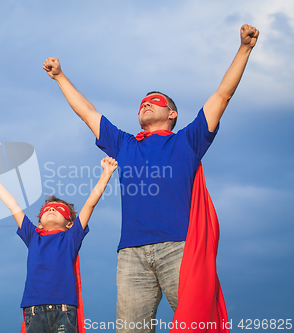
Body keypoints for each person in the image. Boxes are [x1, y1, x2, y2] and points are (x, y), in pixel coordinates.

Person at [42, 24, 259, 333]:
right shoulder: (125, 144)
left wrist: (244, 49)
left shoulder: (188, 141)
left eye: (155, 100)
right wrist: (61, 76)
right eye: (143, 101)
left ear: (172, 114)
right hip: (131, 255)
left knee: (197, 325)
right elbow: (87, 112)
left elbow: (222, 96)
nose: (146, 103)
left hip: (179, 249)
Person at [0, 157, 118, 333]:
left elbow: (90, 203)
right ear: (39, 223)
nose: (51, 209)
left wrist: (106, 173)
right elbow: (12, 205)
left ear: (69, 223)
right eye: (46, 210)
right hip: (33, 310)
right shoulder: (33, 236)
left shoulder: (71, 238)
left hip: (64, 310)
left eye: (59, 209)